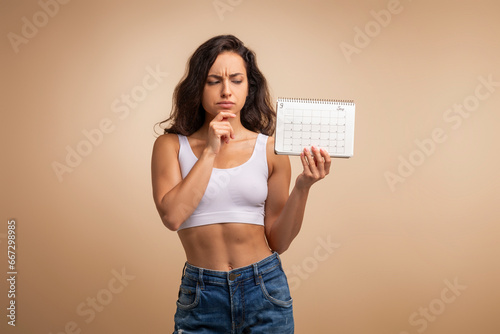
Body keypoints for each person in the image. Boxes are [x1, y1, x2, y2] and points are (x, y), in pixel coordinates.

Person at [151, 34, 331, 334]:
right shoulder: (170, 146)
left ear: (250, 87)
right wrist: (210, 150)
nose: (226, 90)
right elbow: (172, 216)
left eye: (236, 80)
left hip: (264, 289)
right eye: (213, 80)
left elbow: (279, 241)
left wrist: (303, 187)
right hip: (201, 294)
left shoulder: (270, 149)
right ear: (198, 86)